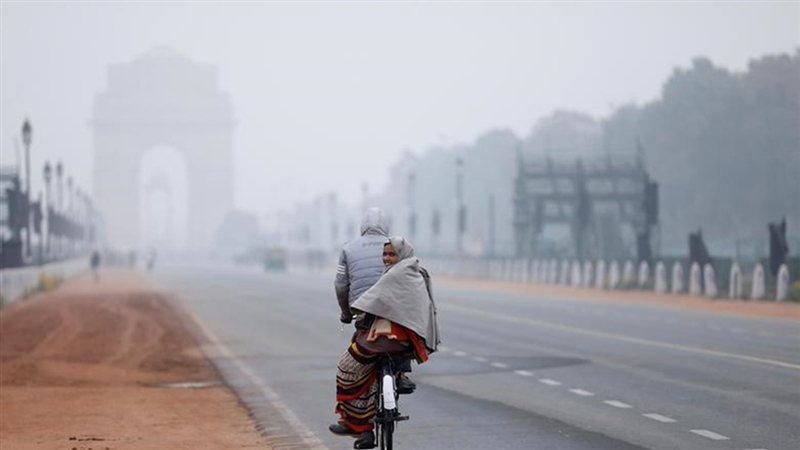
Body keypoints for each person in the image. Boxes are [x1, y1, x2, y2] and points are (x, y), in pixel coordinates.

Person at [330, 236, 440, 449]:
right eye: (385, 255)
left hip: (382, 341)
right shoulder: (416, 272)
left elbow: (367, 299)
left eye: (392, 254)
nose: (387, 259)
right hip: (408, 345)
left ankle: (358, 425)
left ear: (402, 255)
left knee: (347, 366)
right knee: (372, 374)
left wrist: (352, 311)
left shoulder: (393, 275)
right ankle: (400, 376)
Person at [334, 207, 416, 393]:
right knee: (403, 331)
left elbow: (340, 285)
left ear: (362, 226)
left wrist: (346, 313)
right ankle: (401, 373)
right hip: (394, 311)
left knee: (360, 352)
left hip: (363, 311)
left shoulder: (348, 249)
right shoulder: (397, 247)